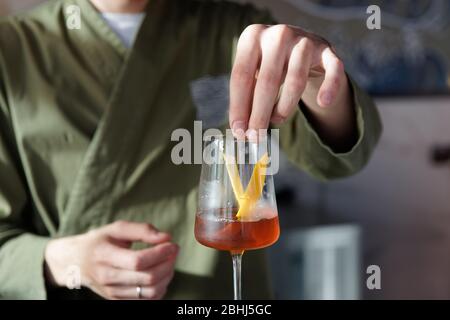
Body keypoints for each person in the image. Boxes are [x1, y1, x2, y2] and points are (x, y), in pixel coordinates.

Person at [0, 0, 381, 299]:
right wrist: (61, 260)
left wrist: (318, 82)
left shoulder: (235, 32)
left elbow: (340, 159)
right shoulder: (13, 49)